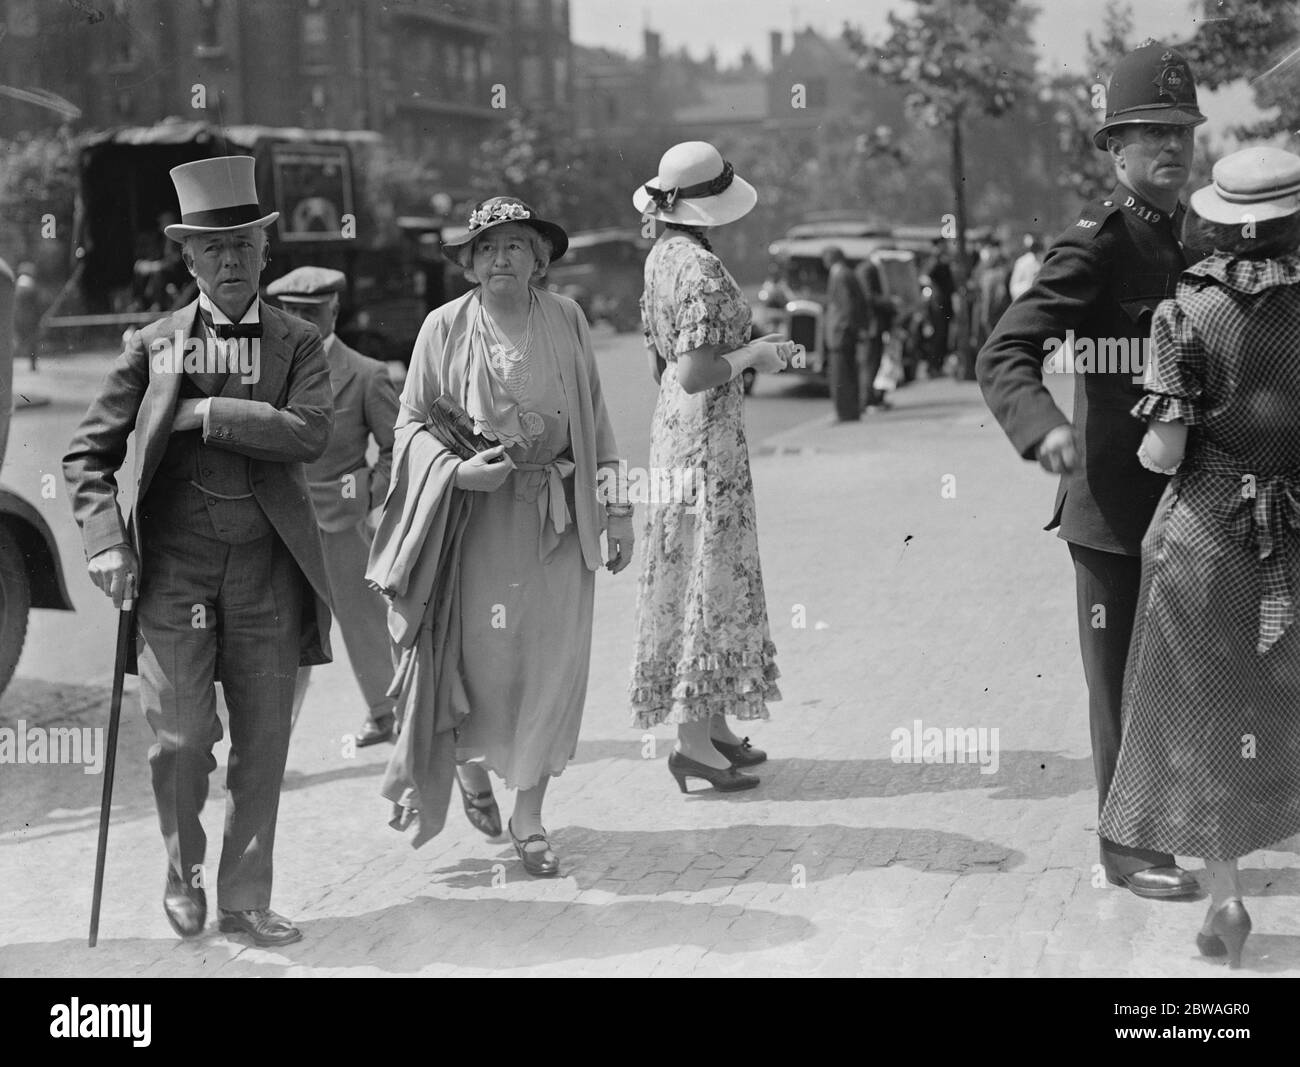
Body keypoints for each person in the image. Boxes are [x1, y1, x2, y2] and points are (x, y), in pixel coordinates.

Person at [63, 156, 335, 947]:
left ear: (264, 252)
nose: (228, 261)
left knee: (264, 742)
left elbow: (310, 432)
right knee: (181, 740)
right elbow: (86, 456)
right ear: (186, 259)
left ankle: (244, 898)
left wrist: (206, 409)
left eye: (242, 245)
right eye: (210, 249)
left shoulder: (300, 344)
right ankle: (181, 871)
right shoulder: (151, 347)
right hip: (172, 572)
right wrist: (105, 539)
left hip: (267, 572)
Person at [976, 41, 1207, 900]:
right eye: (1149, 134)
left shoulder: (1198, 238)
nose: (1171, 148)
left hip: (1190, 506)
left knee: (1179, 671)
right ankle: (1125, 843)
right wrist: (1043, 432)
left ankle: (1170, 817)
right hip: (1111, 508)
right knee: (1120, 683)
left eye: (1181, 130)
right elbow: (1006, 350)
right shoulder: (1098, 246)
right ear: (1115, 150)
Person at [364, 196, 632, 875]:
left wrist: (618, 506)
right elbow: (408, 429)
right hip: (474, 528)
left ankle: (530, 815)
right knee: (481, 669)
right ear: (469, 263)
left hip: (559, 524)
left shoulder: (567, 318)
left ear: (539, 258)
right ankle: (469, 768)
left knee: (551, 667)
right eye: (487, 248)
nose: (501, 258)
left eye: (515, 245)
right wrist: (455, 474)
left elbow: (597, 422)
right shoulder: (442, 328)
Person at [1099, 147, 1300, 968]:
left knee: (1206, 714)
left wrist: (1151, 444)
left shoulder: (1183, 313)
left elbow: (1165, 448)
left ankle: (1227, 901)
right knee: (1282, 702)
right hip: (1290, 531)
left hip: (1209, 540)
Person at [629, 140, 788, 793]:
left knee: (696, 566)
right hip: (704, 435)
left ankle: (713, 723)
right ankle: (693, 741)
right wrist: (757, 353)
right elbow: (697, 371)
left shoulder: (661, 257)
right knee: (707, 571)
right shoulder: (697, 268)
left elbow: (664, 365)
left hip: (676, 427)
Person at [265, 266, 400, 745]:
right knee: (279, 635)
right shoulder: (263, 372)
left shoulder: (366, 374)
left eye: (311, 311)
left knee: (363, 624)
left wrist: (368, 496)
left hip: (342, 525)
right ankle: (271, 744)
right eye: (290, 311)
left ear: (334, 310)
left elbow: (395, 448)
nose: (300, 320)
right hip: (278, 525)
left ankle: (389, 714)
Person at [822, 245, 869, 421]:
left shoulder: (840, 275)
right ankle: (849, 411)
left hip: (841, 334)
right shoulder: (845, 273)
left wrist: (843, 328)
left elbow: (846, 306)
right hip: (843, 333)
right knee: (846, 373)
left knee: (842, 375)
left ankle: (845, 413)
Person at [854, 256, 893, 408]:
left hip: (874, 325)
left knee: (873, 362)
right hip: (872, 325)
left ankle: (870, 397)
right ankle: (867, 399)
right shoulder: (868, 270)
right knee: (870, 362)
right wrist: (888, 302)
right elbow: (868, 296)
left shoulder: (868, 269)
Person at [922, 238, 954, 376]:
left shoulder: (942, 261)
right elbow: (925, 277)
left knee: (943, 335)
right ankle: (934, 366)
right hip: (937, 303)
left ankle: (937, 365)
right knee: (938, 335)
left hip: (944, 303)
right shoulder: (934, 262)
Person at [13, 261, 41, 371]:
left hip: (17, 317)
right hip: (30, 318)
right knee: (32, 342)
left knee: (16, 341)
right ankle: (33, 365)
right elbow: (36, 304)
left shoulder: (17, 284)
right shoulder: (31, 284)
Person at [1008, 234, 1043, 302]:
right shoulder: (1022, 262)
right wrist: (1029, 287)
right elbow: (1013, 288)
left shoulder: (1042, 261)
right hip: (1025, 301)